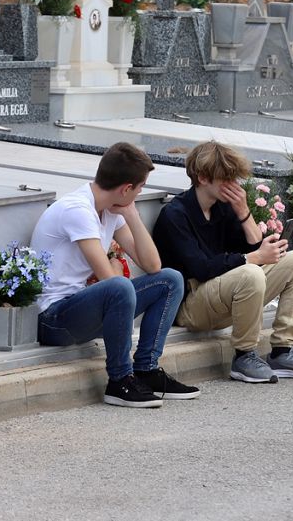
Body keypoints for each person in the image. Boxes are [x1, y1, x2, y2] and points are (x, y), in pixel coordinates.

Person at [31, 142, 198, 408]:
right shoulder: (78, 210)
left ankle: (146, 370)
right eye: (140, 187)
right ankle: (119, 380)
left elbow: (153, 265)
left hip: (84, 310)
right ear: (126, 188)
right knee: (119, 286)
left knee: (170, 279)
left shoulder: (111, 209)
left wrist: (131, 215)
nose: (141, 191)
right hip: (54, 318)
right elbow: (108, 278)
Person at [152, 142, 293, 384]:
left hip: (227, 293)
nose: (233, 185)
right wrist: (254, 258)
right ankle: (244, 356)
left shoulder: (222, 207)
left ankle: (282, 352)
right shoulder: (175, 215)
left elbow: (254, 249)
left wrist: (244, 211)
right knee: (250, 273)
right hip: (192, 304)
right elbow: (202, 268)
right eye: (226, 178)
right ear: (203, 178)